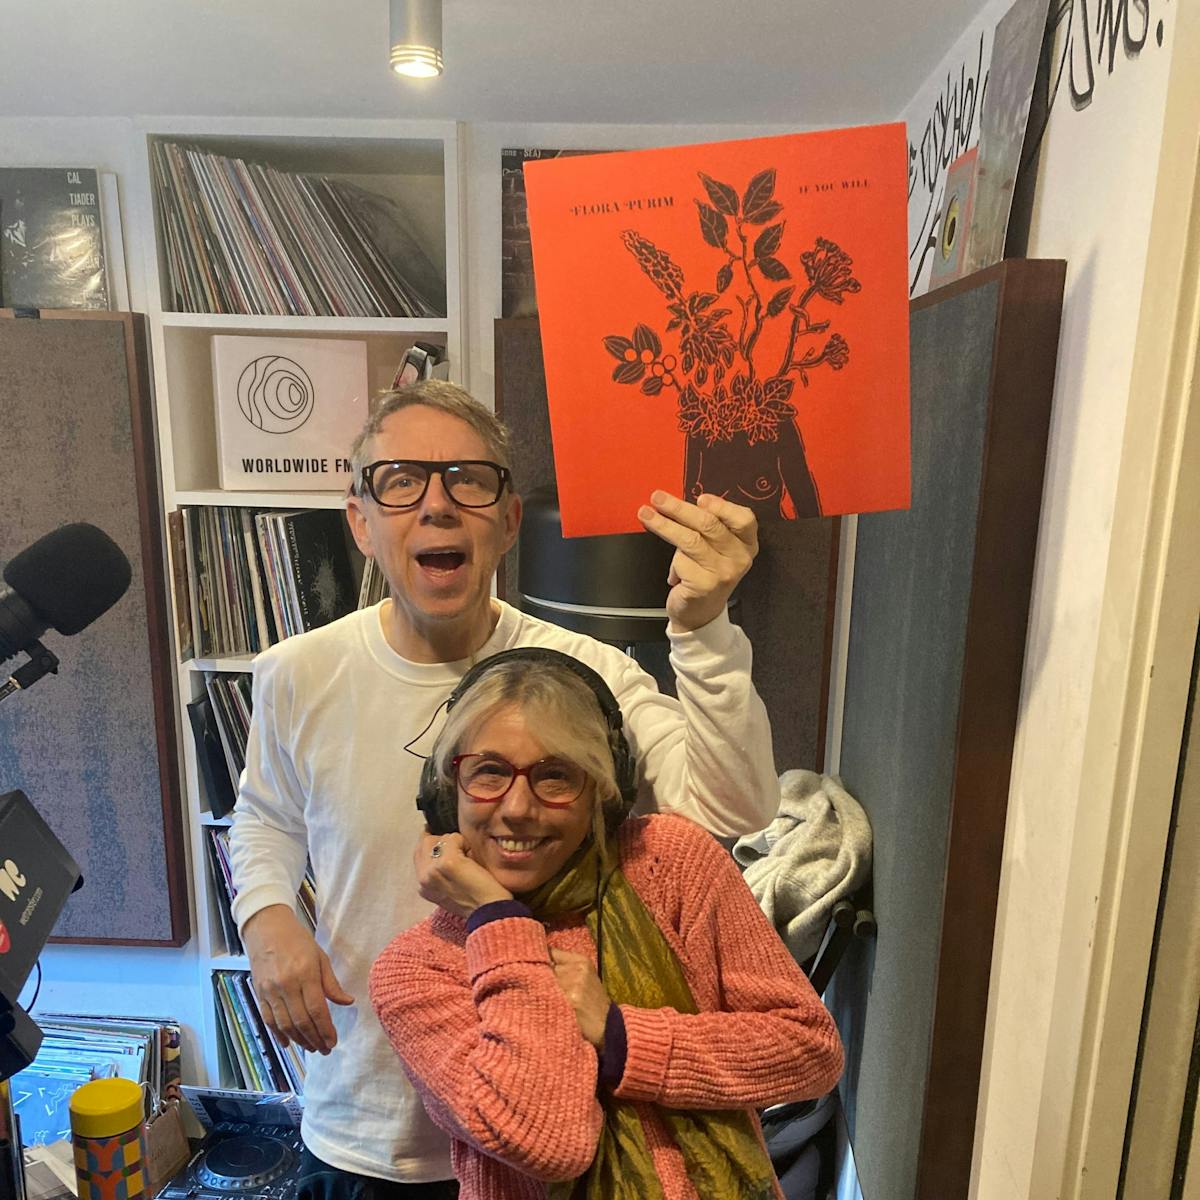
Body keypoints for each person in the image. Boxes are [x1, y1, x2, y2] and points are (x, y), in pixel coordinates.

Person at [230, 380, 782, 1198]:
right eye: (401, 481)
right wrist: (266, 917)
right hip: (362, 1123)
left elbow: (732, 807)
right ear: (361, 522)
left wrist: (704, 631)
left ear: (509, 519)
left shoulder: (586, 672)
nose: (438, 504)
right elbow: (265, 816)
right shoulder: (295, 672)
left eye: (469, 479)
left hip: (552, 1130)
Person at [370, 649, 843, 1200]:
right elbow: (548, 1141)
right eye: (490, 772)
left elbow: (810, 1050)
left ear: (601, 788)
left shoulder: (669, 863)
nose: (517, 808)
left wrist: (620, 1034)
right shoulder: (417, 971)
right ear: (446, 789)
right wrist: (499, 922)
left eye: (555, 775)